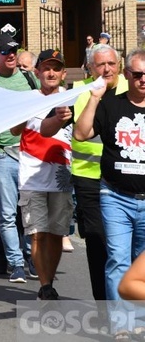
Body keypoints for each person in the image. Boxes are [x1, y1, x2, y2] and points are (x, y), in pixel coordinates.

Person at [74, 48, 145, 338]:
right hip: (115, 196)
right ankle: (121, 325)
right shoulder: (110, 105)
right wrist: (93, 98)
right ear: (128, 75)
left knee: (139, 262)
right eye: (138, 74)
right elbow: (81, 134)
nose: (143, 80)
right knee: (117, 258)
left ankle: (137, 317)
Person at [64, 44, 126, 301]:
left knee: (127, 247)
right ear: (89, 68)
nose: (106, 68)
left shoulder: (133, 86)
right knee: (98, 242)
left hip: (126, 180)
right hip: (89, 179)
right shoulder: (79, 92)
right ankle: (105, 306)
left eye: (111, 63)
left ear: (119, 64)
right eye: (100, 64)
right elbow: (53, 124)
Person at [13, 50, 74, 300]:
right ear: (37, 72)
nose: (51, 73)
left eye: (56, 69)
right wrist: (26, 112)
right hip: (32, 176)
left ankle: (48, 276)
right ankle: (45, 284)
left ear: (63, 74)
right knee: (37, 232)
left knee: (56, 234)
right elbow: (14, 129)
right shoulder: (28, 99)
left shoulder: (72, 98)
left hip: (61, 175)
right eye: (46, 68)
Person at [0, 33, 38, 283]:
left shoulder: (30, 78)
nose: (11, 55)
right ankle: (15, 263)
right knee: (7, 214)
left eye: (14, 50)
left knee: (29, 213)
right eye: (5, 51)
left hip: (29, 155)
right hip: (1, 156)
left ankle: (31, 257)